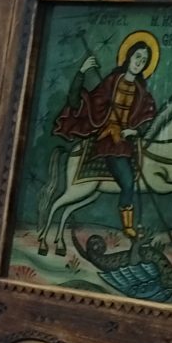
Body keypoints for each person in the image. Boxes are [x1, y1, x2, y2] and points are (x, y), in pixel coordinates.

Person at [53, 34, 158, 238]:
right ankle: (128, 228)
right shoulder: (110, 83)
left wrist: (134, 131)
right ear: (128, 57)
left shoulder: (142, 92)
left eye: (144, 60)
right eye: (137, 57)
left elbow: (148, 119)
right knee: (128, 182)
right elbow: (78, 102)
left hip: (128, 142)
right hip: (109, 141)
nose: (140, 62)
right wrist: (82, 72)